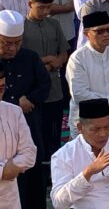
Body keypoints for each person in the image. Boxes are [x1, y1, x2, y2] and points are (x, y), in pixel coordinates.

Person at [0, 9, 50, 209]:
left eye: (17, 42)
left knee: (31, 182)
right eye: (6, 43)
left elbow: (44, 85)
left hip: (25, 122)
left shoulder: (29, 57)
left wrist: (29, 99)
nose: (13, 48)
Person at [66, 11, 109, 138]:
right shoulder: (77, 58)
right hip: (87, 123)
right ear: (86, 33)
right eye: (100, 31)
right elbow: (80, 94)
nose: (106, 34)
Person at [22, 0, 69, 162]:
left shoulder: (54, 24)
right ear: (30, 4)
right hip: (32, 91)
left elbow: (63, 53)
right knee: (35, 134)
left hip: (54, 90)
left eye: (48, 7)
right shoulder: (22, 27)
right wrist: (48, 62)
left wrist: (55, 61)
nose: (45, 11)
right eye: (41, 7)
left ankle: (53, 169)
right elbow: (23, 61)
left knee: (54, 132)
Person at [0, 62, 37, 208]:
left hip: (9, 198)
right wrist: (3, 170)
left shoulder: (14, 111)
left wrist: (13, 166)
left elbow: (29, 152)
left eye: (2, 88)